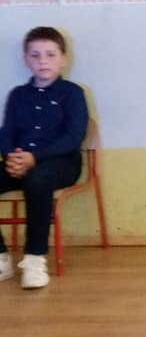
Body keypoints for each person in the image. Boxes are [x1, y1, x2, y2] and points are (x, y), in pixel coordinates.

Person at [0, 27, 89, 289]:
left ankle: (34, 259)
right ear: (26, 60)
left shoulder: (73, 93)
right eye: (35, 55)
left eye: (50, 54)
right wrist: (12, 158)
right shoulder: (18, 95)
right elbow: (6, 132)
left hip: (62, 163)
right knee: (30, 176)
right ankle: (1, 258)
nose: (42, 61)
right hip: (20, 162)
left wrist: (34, 158)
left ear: (64, 59)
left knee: (38, 180)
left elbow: (73, 137)